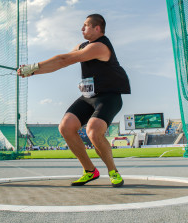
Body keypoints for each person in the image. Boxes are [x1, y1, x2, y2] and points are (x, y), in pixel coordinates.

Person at [17, 14, 131, 187]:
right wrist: (32, 72)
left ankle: (113, 171)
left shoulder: (100, 46)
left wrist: (33, 66)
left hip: (109, 96)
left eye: (85, 25)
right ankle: (90, 171)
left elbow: (65, 59)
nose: (81, 28)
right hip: (88, 97)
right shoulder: (82, 46)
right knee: (65, 127)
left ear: (97, 28)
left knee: (93, 131)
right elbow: (61, 63)